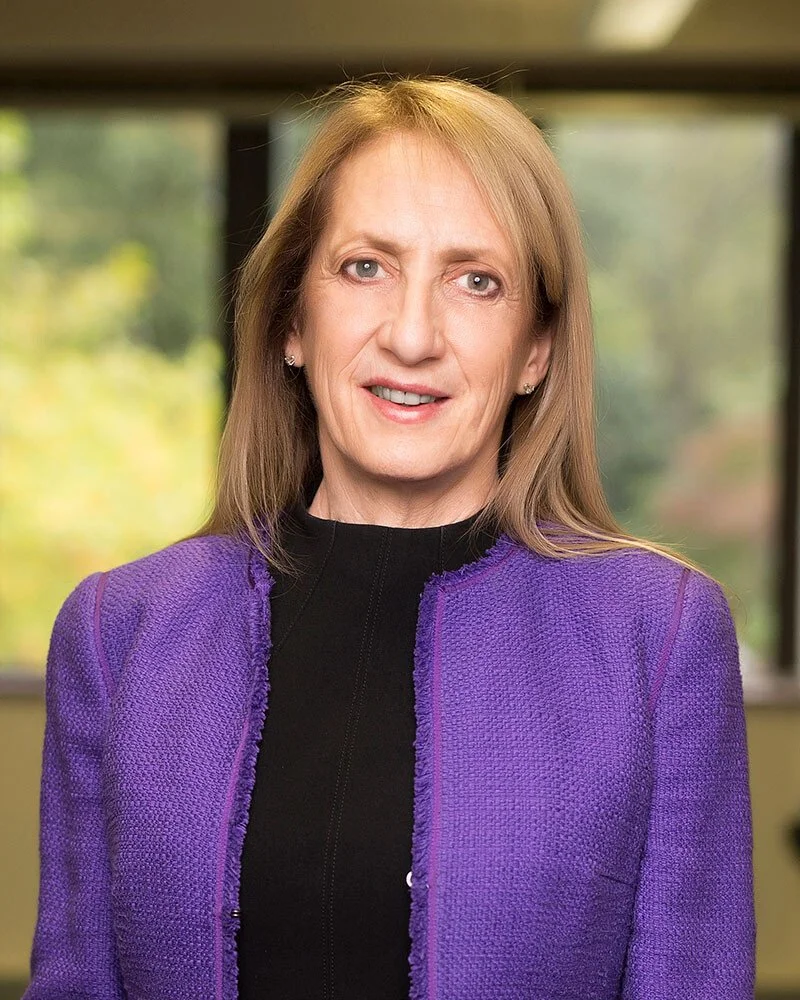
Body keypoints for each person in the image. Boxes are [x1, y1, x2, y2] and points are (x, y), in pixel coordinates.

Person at [24, 75, 756, 1000]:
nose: (413, 336)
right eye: (366, 267)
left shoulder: (658, 637)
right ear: (293, 320)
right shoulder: (118, 633)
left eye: (476, 281)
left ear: (535, 350)